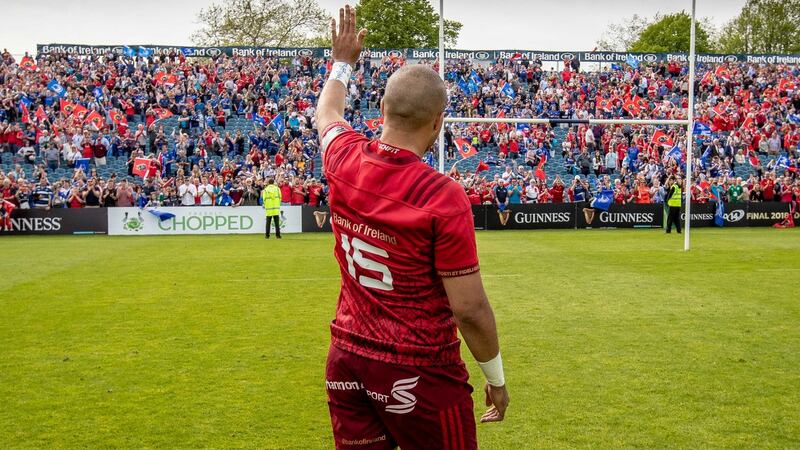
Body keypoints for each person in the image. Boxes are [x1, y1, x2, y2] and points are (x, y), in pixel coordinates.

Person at [315, 7, 508, 450]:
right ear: (439, 124)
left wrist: (343, 61)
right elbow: (470, 311)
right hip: (417, 368)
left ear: (382, 107)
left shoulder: (343, 158)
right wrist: (495, 378)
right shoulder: (441, 197)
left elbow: (327, 111)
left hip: (347, 357)